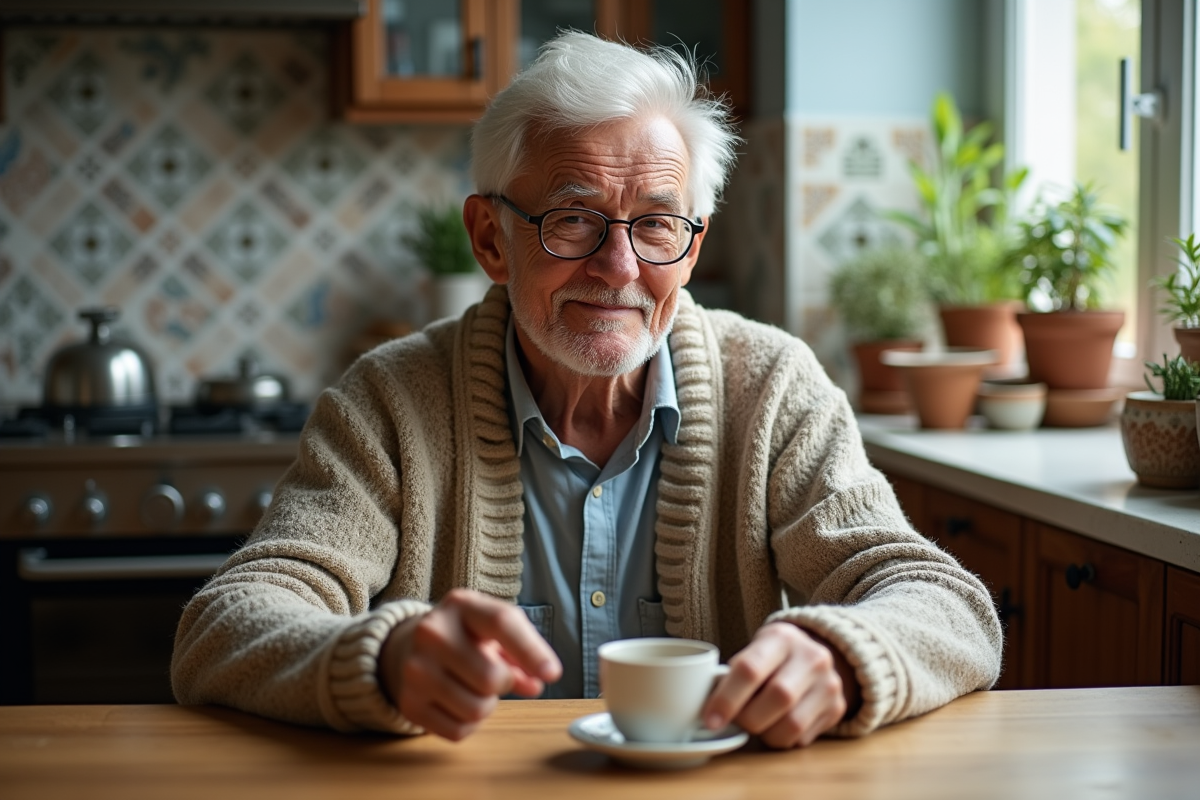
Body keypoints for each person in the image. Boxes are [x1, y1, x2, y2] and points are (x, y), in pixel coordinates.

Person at [172, 32, 1001, 749]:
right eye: (573, 219)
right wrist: (379, 659)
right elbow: (225, 626)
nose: (620, 268)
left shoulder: (776, 387)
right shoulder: (388, 401)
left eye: (657, 223)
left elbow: (948, 606)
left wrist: (844, 658)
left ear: (693, 244)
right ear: (491, 240)